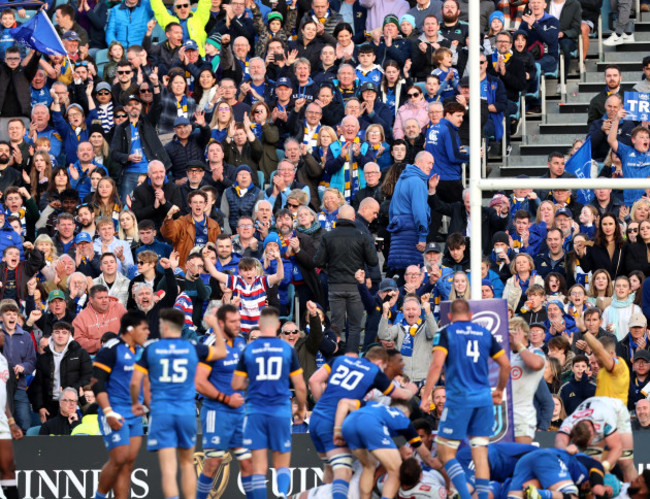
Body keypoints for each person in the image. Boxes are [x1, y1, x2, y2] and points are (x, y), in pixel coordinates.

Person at [130, 308, 226, 499]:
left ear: (164, 325)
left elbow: (135, 381)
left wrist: (136, 403)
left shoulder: (152, 349)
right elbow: (222, 351)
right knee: (186, 464)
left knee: (168, 468)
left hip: (161, 411)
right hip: (186, 411)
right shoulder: (191, 346)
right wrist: (215, 325)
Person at [420, 298, 511, 499]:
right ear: (470, 317)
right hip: (484, 400)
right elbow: (506, 365)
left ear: (450, 317)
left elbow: (436, 366)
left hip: (460, 400)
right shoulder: (485, 333)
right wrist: (499, 390)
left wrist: (426, 396)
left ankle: (465, 496)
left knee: (445, 453)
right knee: (480, 455)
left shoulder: (446, 332)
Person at [308, 346, 415, 497]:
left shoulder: (339, 360)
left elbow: (313, 380)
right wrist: (411, 390)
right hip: (335, 420)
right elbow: (399, 394)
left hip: (316, 418)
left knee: (330, 470)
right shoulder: (374, 371)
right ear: (380, 362)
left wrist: (323, 404)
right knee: (343, 471)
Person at [231, 307, 308, 499]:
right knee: (282, 462)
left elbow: (236, 384)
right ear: (278, 326)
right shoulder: (287, 349)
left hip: (255, 410)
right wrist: (302, 409)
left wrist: (253, 379)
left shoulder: (249, 349)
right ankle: (282, 494)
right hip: (280, 410)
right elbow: (300, 385)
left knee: (258, 466)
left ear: (260, 324)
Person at [194, 304, 253, 499]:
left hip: (239, 412)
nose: (238, 324)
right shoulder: (211, 344)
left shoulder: (241, 343)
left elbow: (242, 377)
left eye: (239, 320)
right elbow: (199, 382)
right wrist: (226, 399)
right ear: (221, 323)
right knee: (212, 463)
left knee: (247, 462)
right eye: (233, 321)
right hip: (217, 412)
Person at [91, 311, 151, 499]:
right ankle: (98, 497)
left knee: (128, 463)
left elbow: (146, 383)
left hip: (135, 414)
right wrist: (108, 412)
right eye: (144, 328)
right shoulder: (112, 348)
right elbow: (96, 381)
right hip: (115, 411)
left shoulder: (142, 351)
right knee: (119, 459)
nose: (148, 332)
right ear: (131, 330)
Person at [333, 400, 442, 499]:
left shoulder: (374, 405)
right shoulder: (403, 419)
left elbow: (343, 403)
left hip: (348, 424)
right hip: (370, 425)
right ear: (405, 413)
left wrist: (337, 429)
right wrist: (438, 462)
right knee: (397, 470)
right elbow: (424, 454)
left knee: (369, 466)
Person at [314, 204, 379, 353]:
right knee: (355, 327)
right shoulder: (361, 236)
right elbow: (373, 261)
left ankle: (335, 358)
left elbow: (318, 261)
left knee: (336, 325)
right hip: (355, 287)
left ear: (337, 218)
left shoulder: (327, 236)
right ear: (354, 218)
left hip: (335, 286)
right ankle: (352, 358)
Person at [556, 395, 636, 481]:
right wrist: (565, 450)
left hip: (617, 410)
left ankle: (635, 491)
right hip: (592, 408)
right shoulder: (569, 422)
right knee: (593, 463)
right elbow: (560, 441)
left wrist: (605, 465)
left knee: (625, 461)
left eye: (590, 442)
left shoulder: (605, 420)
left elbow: (617, 448)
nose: (590, 444)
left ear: (592, 432)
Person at [32, 321, 92, 423]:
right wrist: (40, 407)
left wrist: (69, 391)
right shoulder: (43, 358)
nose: (60, 335)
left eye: (64, 333)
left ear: (70, 335)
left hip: (74, 403)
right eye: (57, 332)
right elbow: (38, 384)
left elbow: (87, 377)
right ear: (52, 335)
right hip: (50, 405)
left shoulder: (81, 353)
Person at [387, 151, 435, 276]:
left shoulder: (402, 179)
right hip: (411, 238)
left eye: (432, 164)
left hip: (397, 237)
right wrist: (422, 236)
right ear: (418, 163)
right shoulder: (417, 182)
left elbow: (391, 209)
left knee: (399, 276)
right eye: (429, 163)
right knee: (412, 277)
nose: (431, 167)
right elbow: (420, 212)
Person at [73, 284, 127, 355]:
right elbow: (78, 340)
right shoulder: (81, 317)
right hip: (95, 356)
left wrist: (117, 341)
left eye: (106, 297)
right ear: (91, 300)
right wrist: (99, 343)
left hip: (121, 351)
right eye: (100, 298)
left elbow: (130, 328)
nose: (104, 300)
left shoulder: (119, 308)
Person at [0, 332, 22, 499]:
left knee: (8, 466)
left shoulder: (3, 360)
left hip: (2, 419)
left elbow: (3, 394)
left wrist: (11, 421)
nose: (2, 334)